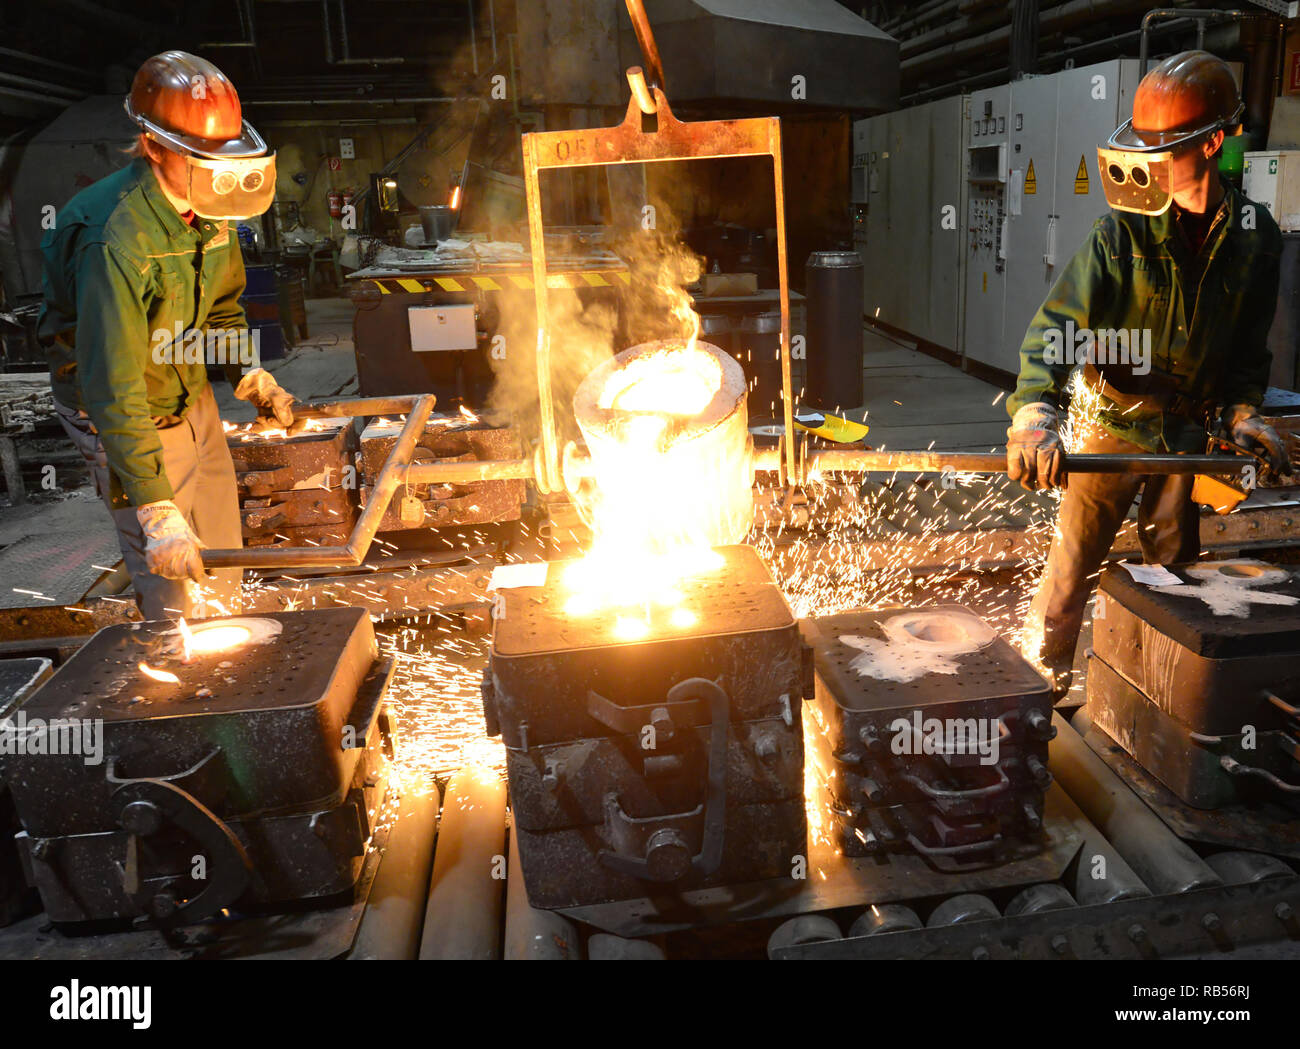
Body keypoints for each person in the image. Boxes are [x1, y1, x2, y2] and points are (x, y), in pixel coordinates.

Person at [1005, 50, 1293, 695]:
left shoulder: (1255, 236)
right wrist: (1034, 414)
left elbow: (1249, 350)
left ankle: (1151, 699)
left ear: (1214, 142)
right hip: (1111, 428)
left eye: (1163, 146)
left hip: (1187, 441)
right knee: (1070, 573)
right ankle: (1039, 694)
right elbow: (1057, 327)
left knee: (1176, 583)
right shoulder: (1121, 234)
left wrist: (1243, 412)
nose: (1146, 159)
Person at [39, 51, 296, 620]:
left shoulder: (209, 205)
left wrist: (247, 374)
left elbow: (221, 306)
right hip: (121, 406)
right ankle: (184, 673)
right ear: (153, 146)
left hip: (184, 383)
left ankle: (228, 646)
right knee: (172, 564)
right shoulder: (113, 239)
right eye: (200, 160)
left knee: (222, 548)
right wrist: (154, 508)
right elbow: (113, 383)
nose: (216, 176)